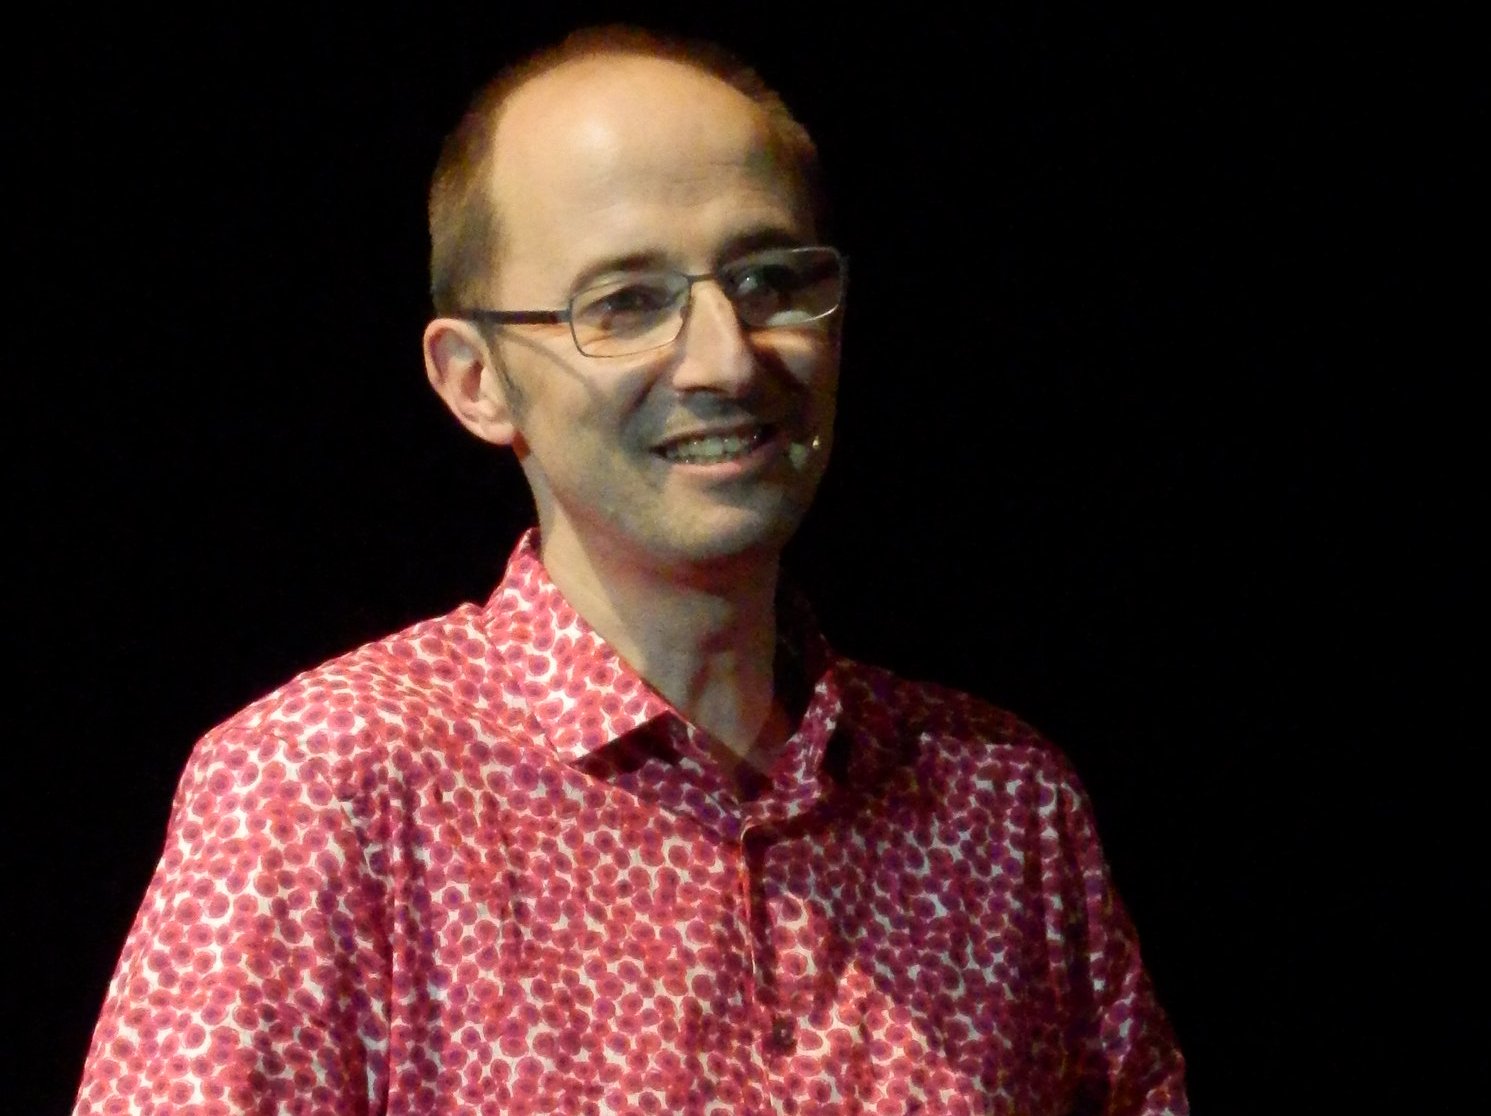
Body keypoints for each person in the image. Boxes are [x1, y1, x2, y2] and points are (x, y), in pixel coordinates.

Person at [74, 26, 1187, 1115]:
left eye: (769, 280)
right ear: (476, 380)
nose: (724, 358)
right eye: (626, 303)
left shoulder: (1000, 809)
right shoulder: (327, 787)